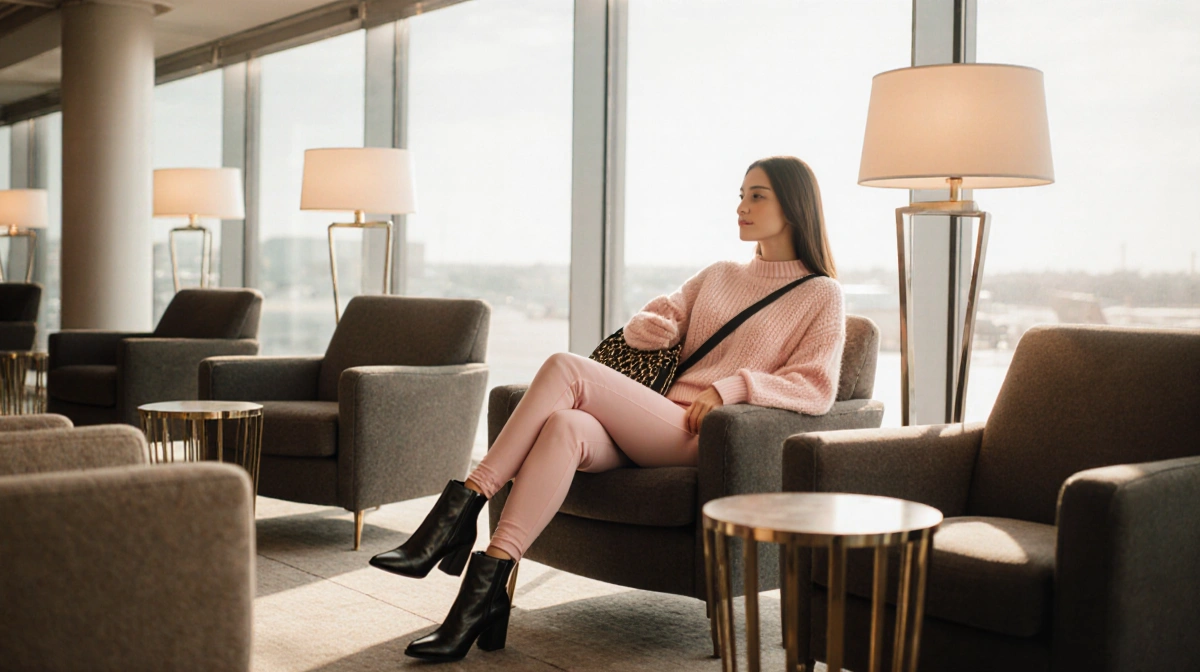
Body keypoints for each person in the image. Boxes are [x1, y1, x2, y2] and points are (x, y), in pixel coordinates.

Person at [369, 155, 846, 663]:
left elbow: (814, 387)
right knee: (564, 426)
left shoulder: (821, 294)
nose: (741, 207)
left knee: (565, 367)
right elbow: (650, 324)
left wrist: (732, 388)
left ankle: (460, 510)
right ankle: (480, 598)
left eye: (757, 196)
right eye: (741, 194)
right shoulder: (719, 274)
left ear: (794, 207)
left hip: (700, 435)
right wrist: (657, 324)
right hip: (653, 420)